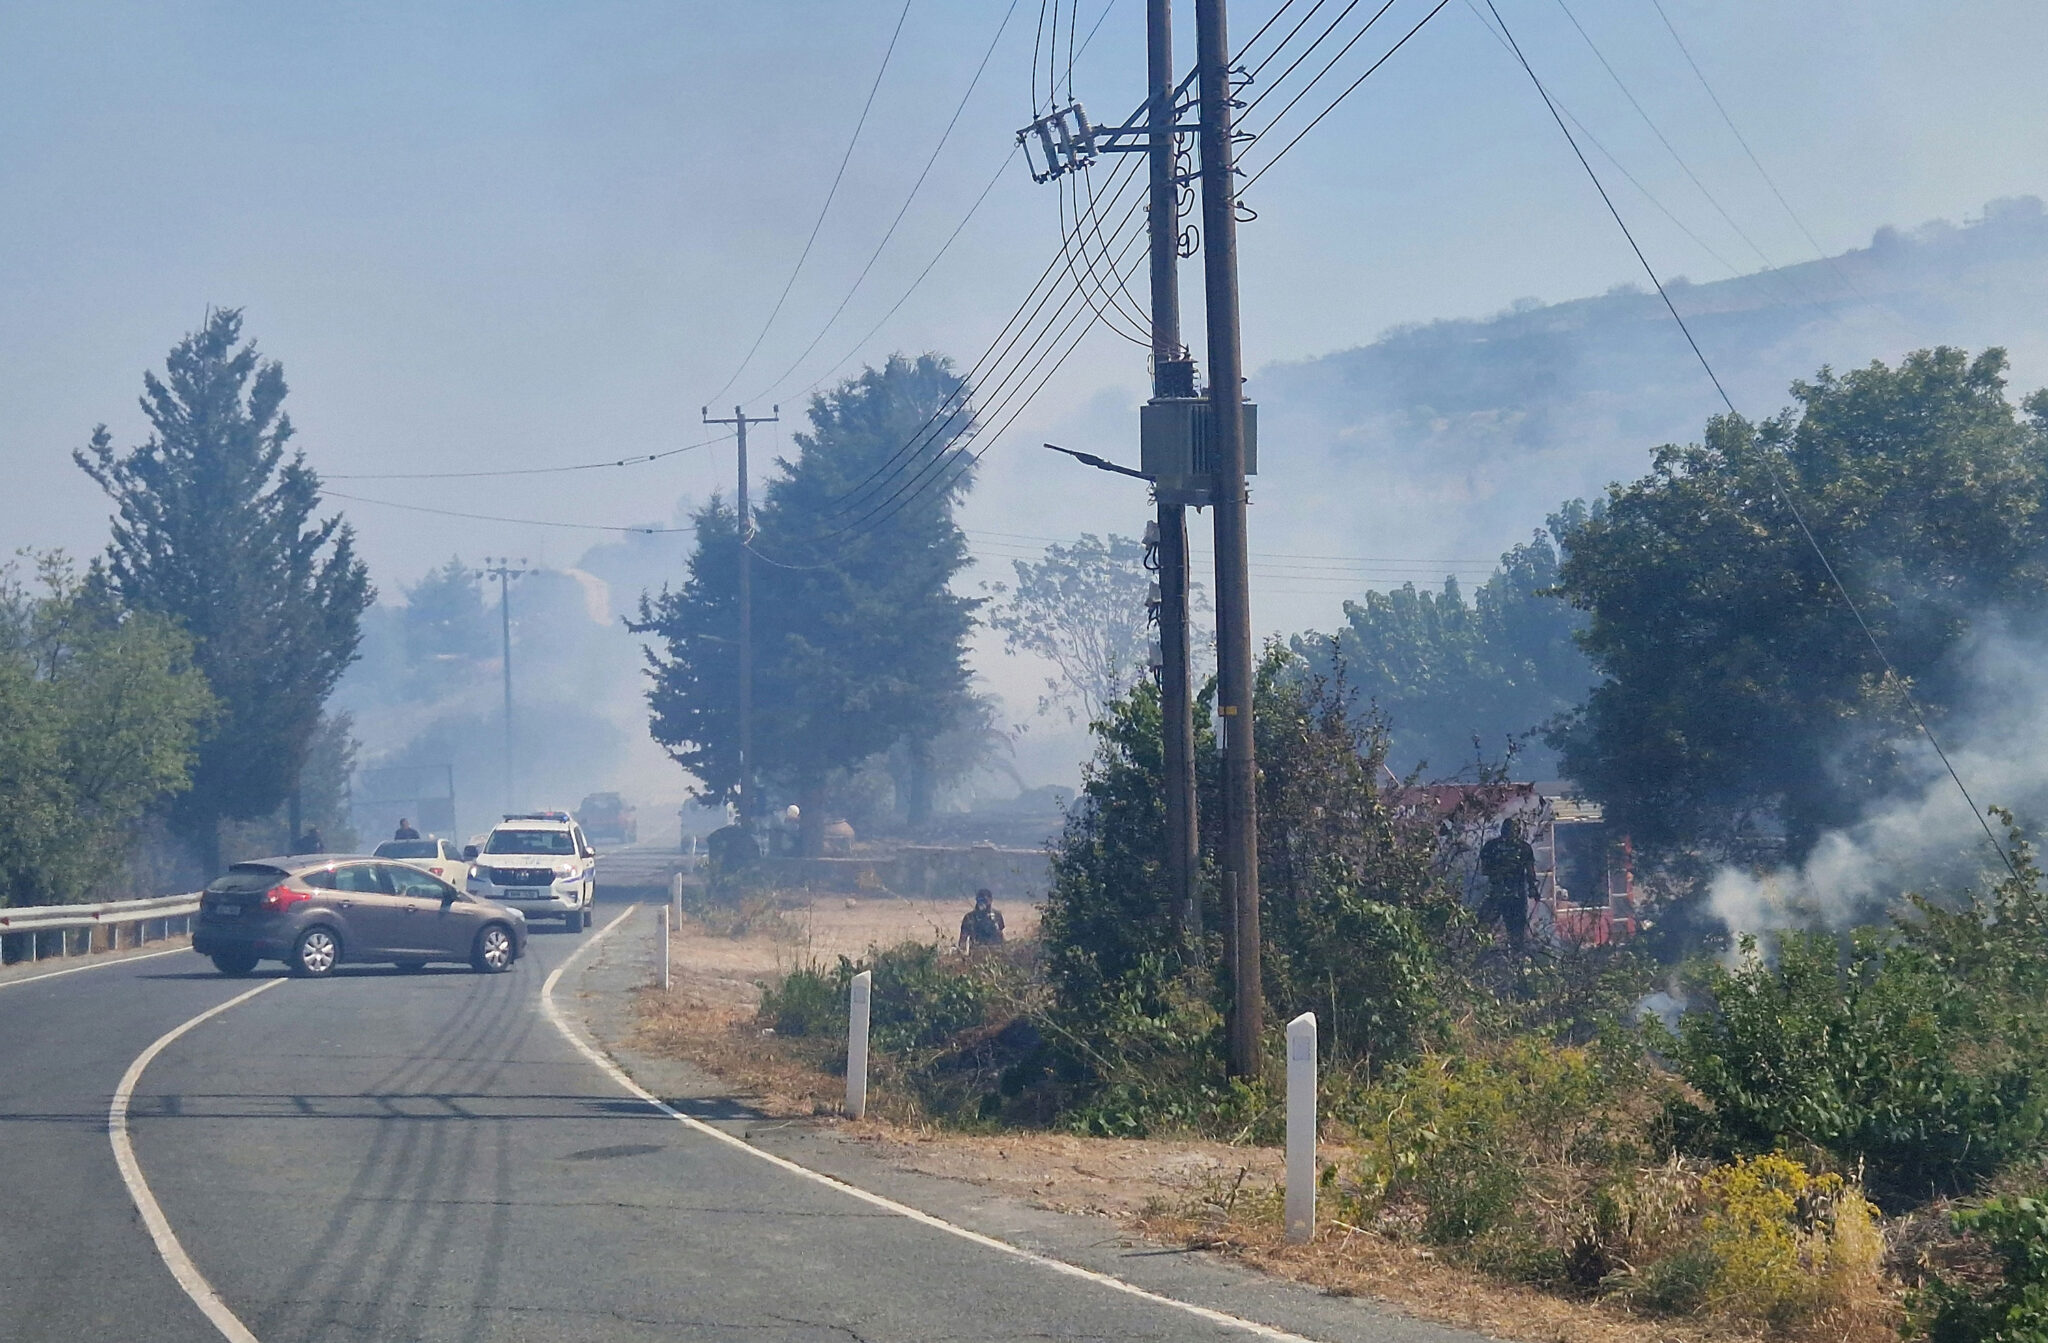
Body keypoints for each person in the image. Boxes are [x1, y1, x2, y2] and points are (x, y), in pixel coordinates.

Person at [1478, 816, 1538, 955]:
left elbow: (1485, 870)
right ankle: (1513, 960)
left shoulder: (1491, 846)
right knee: (1515, 934)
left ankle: (1482, 954)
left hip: (1500, 895)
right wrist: (1532, 889)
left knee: (1485, 928)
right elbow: (1530, 874)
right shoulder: (1523, 847)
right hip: (1511, 896)